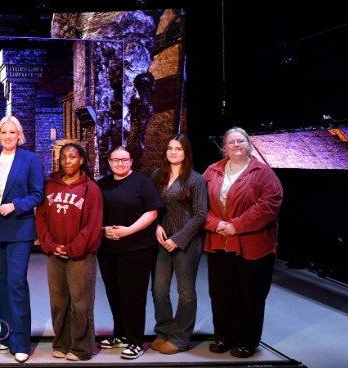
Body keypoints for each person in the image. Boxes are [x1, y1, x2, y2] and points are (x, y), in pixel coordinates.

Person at [203, 126, 283, 358]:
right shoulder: (212, 171)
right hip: (220, 241)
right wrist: (216, 224)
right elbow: (198, 205)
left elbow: (269, 205)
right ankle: (224, 337)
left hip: (253, 245)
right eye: (231, 142)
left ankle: (246, 341)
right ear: (224, 147)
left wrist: (236, 226)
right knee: (221, 293)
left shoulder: (263, 172)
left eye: (241, 141)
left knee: (251, 295)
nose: (236, 145)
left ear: (249, 145)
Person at [0, 115, 45, 363]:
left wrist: (14, 205)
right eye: (3, 132)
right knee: (1, 284)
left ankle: (21, 342)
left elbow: (38, 194)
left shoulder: (30, 159)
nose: (7, 136)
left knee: (16, 284)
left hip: (19, 230)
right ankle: (6, 335)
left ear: (19, 135)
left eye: (12, 132)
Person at [35, 143, 103, 361]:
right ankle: (61, 342)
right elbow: (41, 218)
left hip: (80, 255)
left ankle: (81, 348)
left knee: (80, 302)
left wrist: (73, 248)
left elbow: (92, 225)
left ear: (81, 160)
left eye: (72, 157)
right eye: (63, 158)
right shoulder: (50, 186)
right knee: (58, 302)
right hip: (55, 253)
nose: (67, 161)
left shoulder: (90, 188)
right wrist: (52, 246)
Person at [96, 145, 163, 360]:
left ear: (131, 161)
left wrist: (128, 231)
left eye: (124, 160)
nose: (120, 164)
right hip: (108, 248)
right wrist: (103, 230)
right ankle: (121, 335)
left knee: (132, 296)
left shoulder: (142, 182)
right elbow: (95, 214)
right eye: (115, 160)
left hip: (136, 248)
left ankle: (135, 341)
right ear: (109, 162)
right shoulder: (102, 184)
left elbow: (151, 213)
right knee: (114, 293)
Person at [148, 134, 208, 354]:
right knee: (159, 290)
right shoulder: (157, 175)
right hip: (162, 240)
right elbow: (150, 205)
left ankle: (180, 338)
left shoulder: (195, 179)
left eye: (179, 149)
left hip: (187, 241)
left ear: (186, 153)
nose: (173, 152)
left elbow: (200, 215)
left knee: (186, 292)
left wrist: (178, 239)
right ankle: (163, 331)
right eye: (170, 148)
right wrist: (156, 226)